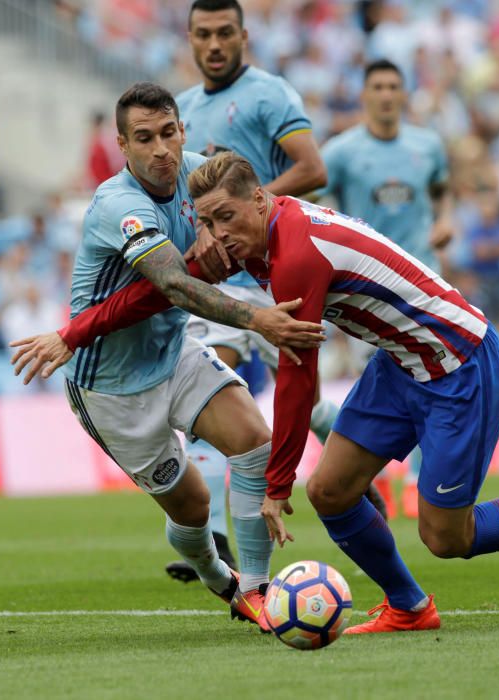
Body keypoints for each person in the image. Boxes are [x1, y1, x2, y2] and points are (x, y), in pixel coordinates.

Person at [19, 152, 499, 635]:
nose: (218, 235)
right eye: (207, 222)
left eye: (227, 217)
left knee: (447, 537)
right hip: (401, 363)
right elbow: (160, 289)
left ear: (260, 199)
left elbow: (299, 382)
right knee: (330, 492)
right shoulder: (251, 241)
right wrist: (71, 335)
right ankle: (408, 607)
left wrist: (276, 487)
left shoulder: (296, 252)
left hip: (458, 362)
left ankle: (411, 594)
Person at [12, 86, 326, 632]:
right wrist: (258, 319)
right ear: (122, 145)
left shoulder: (198, 171)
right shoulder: (119, 206)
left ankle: (253, 589)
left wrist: (209, 223)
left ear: (182, 131)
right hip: (110, 388)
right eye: (144, 138)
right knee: (194, 507)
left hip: (173, 352)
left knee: (254, 442)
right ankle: (214, 574)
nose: (161, 149)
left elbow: (229, 209)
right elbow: (174, 286)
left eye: (168, 133)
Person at [165, 0, 337, 581]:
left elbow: (312, 169)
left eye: (224, 33)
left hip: (274, 276)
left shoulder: (271, 93)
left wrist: (247, 213)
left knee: (304, 406)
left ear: (243, 35)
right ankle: (215, 530)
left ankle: (355, 474)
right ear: (189, 39)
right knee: (217, 382)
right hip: (221, 290)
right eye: (203, 35)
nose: (213, 44)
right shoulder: (182, 112)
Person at [319, 59, 455, 519]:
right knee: (374, 387)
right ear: (364, 94)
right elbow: (316, 202)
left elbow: (441, 192)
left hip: (424, 282)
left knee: (428, 381)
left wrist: (445, 221)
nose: (385, 94)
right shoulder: (341, 152)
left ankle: (417, 483)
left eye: (393, 86)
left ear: (404, 93)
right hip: (368, 292)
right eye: (377, 86)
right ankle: (370, 478)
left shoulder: (428, 145)